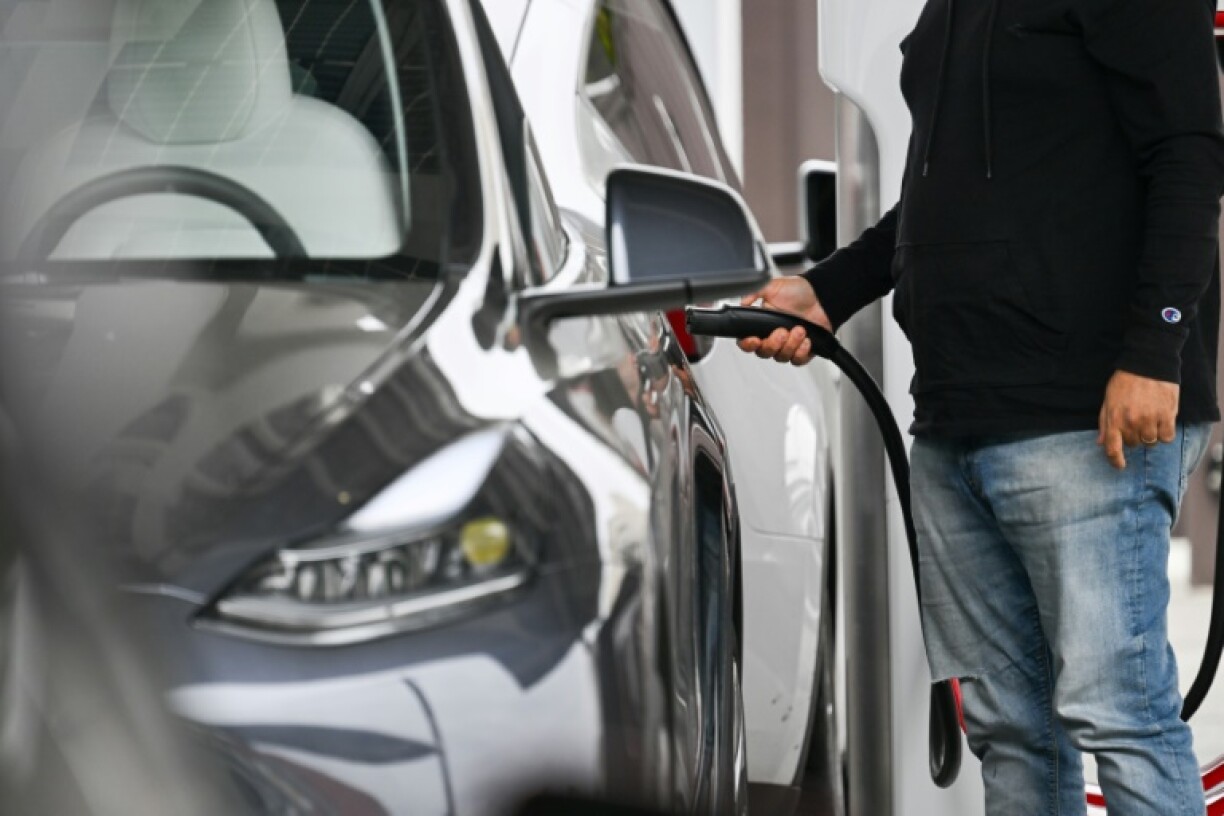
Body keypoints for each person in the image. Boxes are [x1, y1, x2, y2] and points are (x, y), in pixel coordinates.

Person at [739, 0, 1224, 813]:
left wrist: (1155, 351)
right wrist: (825, 291)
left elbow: (1190, 155)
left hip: (1087, 417)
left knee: (1120, 718)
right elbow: (939, 201)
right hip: (957, 419)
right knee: (1011, 731)